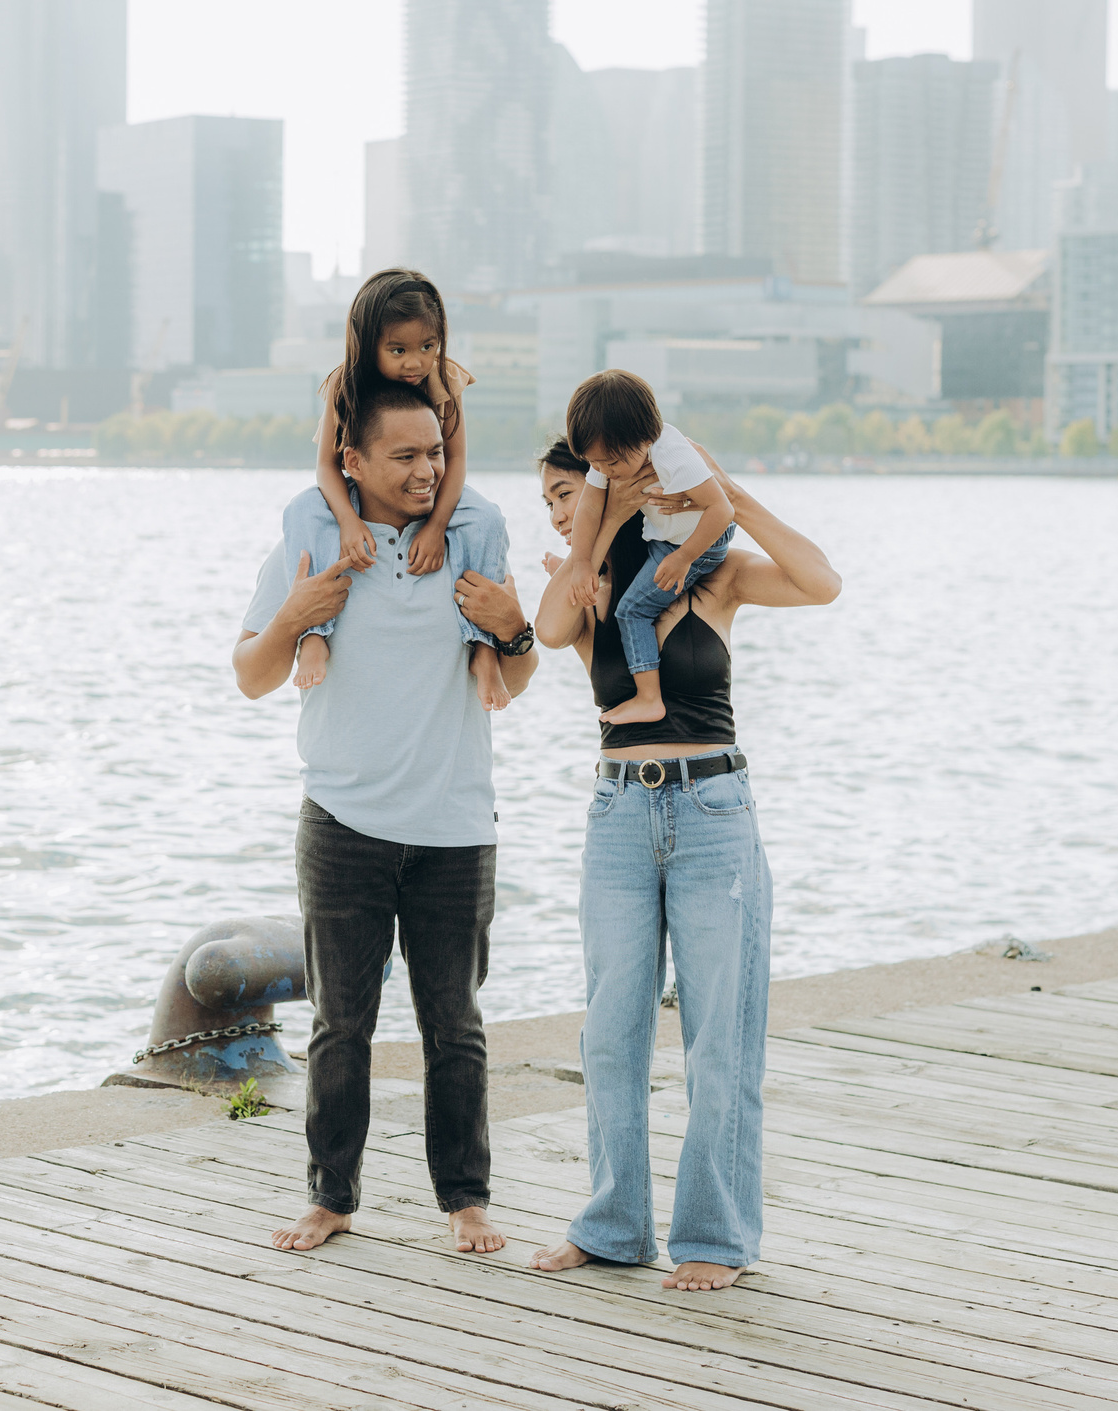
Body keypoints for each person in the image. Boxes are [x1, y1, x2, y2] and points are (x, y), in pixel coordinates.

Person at [526, 426, 840, 1293]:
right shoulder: (583, 582)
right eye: (553, 499)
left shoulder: (713, 574)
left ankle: (714, 1235)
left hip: (712, 810)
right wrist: (590, 528)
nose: (560, 512)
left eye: (569, 491)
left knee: (720, 1037)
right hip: (619, 813)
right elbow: (551, 629)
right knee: (611, 1031)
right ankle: (612, 1224)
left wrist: (721, 491)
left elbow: (822, 581)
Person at [234, 380, 540, 1256]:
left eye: (434, 453)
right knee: (342, 1022)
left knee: (456, 1025)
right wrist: (296, 616)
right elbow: (253, 676)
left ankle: (467, 1199)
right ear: (352, 460)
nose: (425, 470)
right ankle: (331, 1196)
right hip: (343, 820)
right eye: (404, 456)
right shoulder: (316, 543)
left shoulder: (471, 535)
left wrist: (515, 631)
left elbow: (510, 682)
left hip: (454, 824)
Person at [283, 269, 505, 710]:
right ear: (368, 346)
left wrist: (437, 526)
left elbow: (455, 460)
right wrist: (347, 520)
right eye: (398, 350)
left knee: (486, 518)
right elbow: (326, 467)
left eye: (428, 347)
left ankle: (483, 648)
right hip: (362, 489)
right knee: (304, 511)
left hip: (435, 495)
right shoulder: (344, 386)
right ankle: (313, 634)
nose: (415, 363)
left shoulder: (444, 381)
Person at [551, 370, 736, 728]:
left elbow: (723, 511)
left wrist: (684, 558)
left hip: (702, 541)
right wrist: (580, 565)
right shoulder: (612, 454)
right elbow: (590, 506)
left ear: (644, 439)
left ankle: (649, 698)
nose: (604, 471)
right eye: (595, 463)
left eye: (611, 463)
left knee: (631, 611)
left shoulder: (673, 456)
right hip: (668, 538)